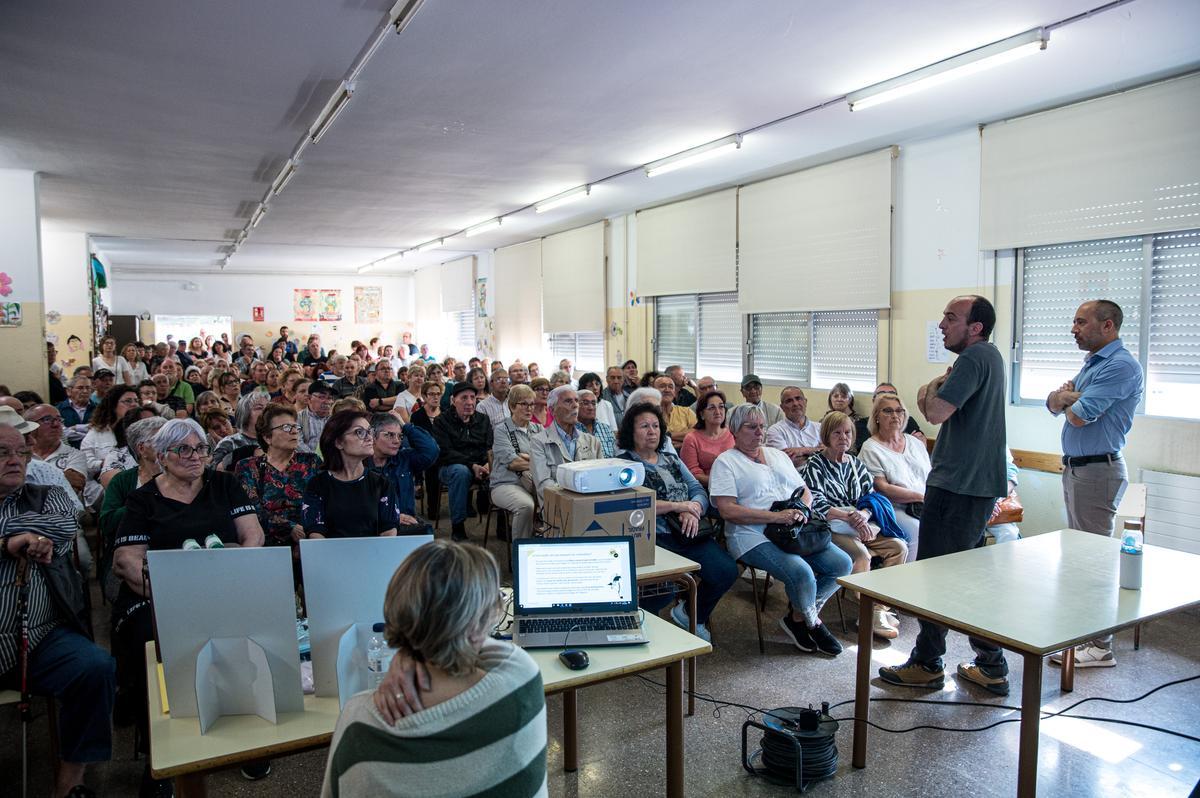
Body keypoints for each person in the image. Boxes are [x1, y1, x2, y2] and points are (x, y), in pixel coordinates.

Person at [324, 541, 545, 798]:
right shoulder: (522, 682)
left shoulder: (359, 721)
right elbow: (494, 648)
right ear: (478, 623)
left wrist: (408, 649)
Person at [112, 418, 265, 787]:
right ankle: (161, 753)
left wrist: (230, 576)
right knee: (149, 636)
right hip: (159, 596)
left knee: (258, 623)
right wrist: (175, 594)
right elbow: (127, 560)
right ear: (162, 456)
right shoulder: (142, 499)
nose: (195, 456)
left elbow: (253, 536)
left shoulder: (225, 485)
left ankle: (247, 737)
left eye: (200, 449)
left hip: (224, 587)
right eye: (184, 449)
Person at [879, 295, 1010, 696]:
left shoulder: (973, 359)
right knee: (965, 578)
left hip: (958, 487)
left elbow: (933, 411)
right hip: (974, 486)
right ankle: (990, 664)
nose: (941, 325)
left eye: (950, 318)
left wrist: (928, 388)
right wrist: (933, 390)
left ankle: (927, 663)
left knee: (936, 576)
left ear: (975, 327)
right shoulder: (992, 358)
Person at [0, 424, 115, 798]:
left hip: (37, 636)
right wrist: (9, 540)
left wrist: (28, 534)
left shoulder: (45, 494)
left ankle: (71, 781)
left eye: (21, 453)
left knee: (95, 668)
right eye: (3, 453)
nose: (15, 461)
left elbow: (65, 524)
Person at [1045, 299, 1143, 670]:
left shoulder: (1120, 366)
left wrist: (1070, 398)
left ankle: (1100, 646)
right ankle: (1083, 636)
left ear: (1108, 326)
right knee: (1079, 560)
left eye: (1080, 322)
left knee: (1094, 562)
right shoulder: (1094, 363)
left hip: (1098, 471)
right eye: (1073, 321)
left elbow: (1079, 416)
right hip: (1079, 469)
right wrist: (1067, 397)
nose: (1074, 329)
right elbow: (1054, 403)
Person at [709, 404, 852, 657]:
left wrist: (803, 511)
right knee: (802, 573)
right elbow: (728, 510)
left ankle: (798, 617)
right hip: (751, 536)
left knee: (842, 565)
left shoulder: (777, 455)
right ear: (734, 430)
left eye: (762, 426)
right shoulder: (726, 462)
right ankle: (814, 623)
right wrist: (775, 517)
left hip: (794, 530)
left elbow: (805, 491)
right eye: (751, 427)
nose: (759, 432)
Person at [619, 404, 735, 642]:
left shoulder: (671, 458)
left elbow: (696, 489)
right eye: (644, 426)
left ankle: (692, 615)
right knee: (666, 587)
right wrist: (677, 506)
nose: (652, 431)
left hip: (688, 531)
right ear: (631, 432)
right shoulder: (623, 465)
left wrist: (695, 509)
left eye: (655, 426)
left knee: (726, 571)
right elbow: (633, 504)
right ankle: (641, 625)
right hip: (653, 537)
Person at [803, 412, 908, 640]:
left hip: (859, 522)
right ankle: (867, 613)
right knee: (862, 555)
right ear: (826, 436)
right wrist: (847, 516)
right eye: (837, 432)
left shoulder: (856, 464)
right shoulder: (815, 464)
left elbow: (871, 497)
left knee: (899, 547)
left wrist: (862, 513)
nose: (843, 437)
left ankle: (878, 608)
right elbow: (816, 503)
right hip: (830, 526)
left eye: (848, 432)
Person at [234, 403, 322, 549]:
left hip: (309, 539)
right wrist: (288, 527)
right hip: (266, 543)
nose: (294, 432)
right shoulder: (248, 467)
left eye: (296, 427)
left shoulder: (311, 462)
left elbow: (322, 503)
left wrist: (310, 533)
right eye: (286, 428)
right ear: (268, 437)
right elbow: (251, 509)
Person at [98, 416, 166, 597]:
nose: (169, 444)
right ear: (142, 449)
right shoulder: (123, 480)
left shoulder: (181, 477)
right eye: (161, 440)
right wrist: (142, 504)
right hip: (132, 555)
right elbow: (107, 522)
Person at [302, 411, 399, 538]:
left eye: (370, 431)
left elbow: (389, 531)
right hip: (329, 555)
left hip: (375, 554)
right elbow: (315, 534)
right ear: (338, 442)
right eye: (360, 432)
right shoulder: (317, 484)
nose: (370, 438)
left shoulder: (382, 483)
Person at [857, 393, 927, 559]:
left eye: (899, 411)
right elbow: (882, 487)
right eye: (888, 411)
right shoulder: (871, 448)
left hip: (924, 502)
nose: (895, 415)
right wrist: (920, 496)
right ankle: (910, 580)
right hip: (893, 507)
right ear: (877, 417)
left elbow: (929, 475)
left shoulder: (915, 443)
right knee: (918, 530)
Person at [431, 383, 493, 542]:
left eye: (472, 397)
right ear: (453, 400)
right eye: (464, 398)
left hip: (480, 465)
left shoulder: (483, 419)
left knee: (503, 466)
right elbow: (445, 452)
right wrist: (472, 465)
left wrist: (487, 463)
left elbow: (489, 446)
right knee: (460, 472)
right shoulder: (441, 421)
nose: (470, 402)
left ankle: (502, 525)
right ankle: (458, 526)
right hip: (450, 467)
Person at [367, 413, 438, 533]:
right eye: (389, 435)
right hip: (374, 526)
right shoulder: (360, 465)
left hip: (407, 524)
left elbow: (431, 450)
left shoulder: (404, 459)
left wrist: (406, 426)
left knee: (427, 534)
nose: (396, 441)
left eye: (400, 436)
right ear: (373, 436)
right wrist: (392, 518)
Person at [530, 386, 601, 505]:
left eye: (576, 401)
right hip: (558, 508)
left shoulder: (592, 441)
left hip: (590, 504)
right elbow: (544, 486)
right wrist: (575, 500)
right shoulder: (539, 442)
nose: (575, 405)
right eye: (568, 401)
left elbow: (600, 478)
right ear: (552, 410)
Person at [489, 384, 540, 539]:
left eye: (531, 404)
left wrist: (525, 457)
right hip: (505, 484)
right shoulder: (502, 429)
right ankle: (521, 553)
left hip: (534, 483)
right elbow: (513, 463)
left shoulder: (538, 429)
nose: (529, 408)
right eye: (524, 404)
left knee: (560, 499)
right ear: (512, 406)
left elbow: (549, 459)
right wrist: (536, 460)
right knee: (526, 506)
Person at [25, 404, 89, 503]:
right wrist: (61, 478)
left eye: (59, 420)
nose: (56, 424)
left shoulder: (75, 455)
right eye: (47, 419)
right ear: (31, 426)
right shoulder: (21, 455)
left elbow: (70, 490)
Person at [81, 385, 141, 479]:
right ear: (113, 405)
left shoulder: (143, 431)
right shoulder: (95, 434)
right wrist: (106, 463)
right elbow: (85, 464)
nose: (134, 404)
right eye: (128, 401)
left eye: (136, 401)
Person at [680, 390, 734, 487]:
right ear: (701, 414)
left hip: (735, 484)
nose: (718, 412)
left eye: (721, 407)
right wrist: (722, 483)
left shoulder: (733, 433)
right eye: (712, 408)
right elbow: (693, 474)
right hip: (706, 488)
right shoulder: (692, 439)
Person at [766, 386, 822, 469]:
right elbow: (785, 462)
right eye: (789, 401)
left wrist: (803, 450)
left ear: (805, 402)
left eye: (798, 398)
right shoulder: (775, 431)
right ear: (782, 407)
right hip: (793, 480)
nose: (795, 404)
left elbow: (831, 453)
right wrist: (818, 451)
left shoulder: (821, 428)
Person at [212, 389, 269, 469]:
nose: (267, 411)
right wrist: (243, 453)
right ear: (245, 413)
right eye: (259, 408)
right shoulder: (229, 443)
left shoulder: (276, 441)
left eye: (268, 408)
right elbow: (214, 472)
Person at [654, 375, 697, 448]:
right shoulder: (647, 414)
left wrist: (668, 435)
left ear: (674, 393)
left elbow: (697, 433)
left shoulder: (686, 412)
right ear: (653, 391)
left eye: (670, 387)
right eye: (662, 386)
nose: (667, 390)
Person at [577, 389, 617, 458]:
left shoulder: (606, 429)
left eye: (593, 403)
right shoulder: (572, 430)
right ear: (576, 406)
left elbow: (615, 455)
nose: (591, 408)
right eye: (586, 403)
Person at [297, 381, 335, 454]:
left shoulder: (335, 419)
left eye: (329, 398)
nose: (326, 401)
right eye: (321, 397)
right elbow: (298, 443)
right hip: (306, 461)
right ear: (309, 399)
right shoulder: (298, 418)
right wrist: (316, 459)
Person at [58, 374, 97, 444]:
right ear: (69, 391)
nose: (85, 391)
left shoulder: (99, 409)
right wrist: (84, 430)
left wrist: (74, 428)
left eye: (88, 388)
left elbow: (102, 430)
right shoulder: (58, 410)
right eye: (80, 388)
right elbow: (61, 433)